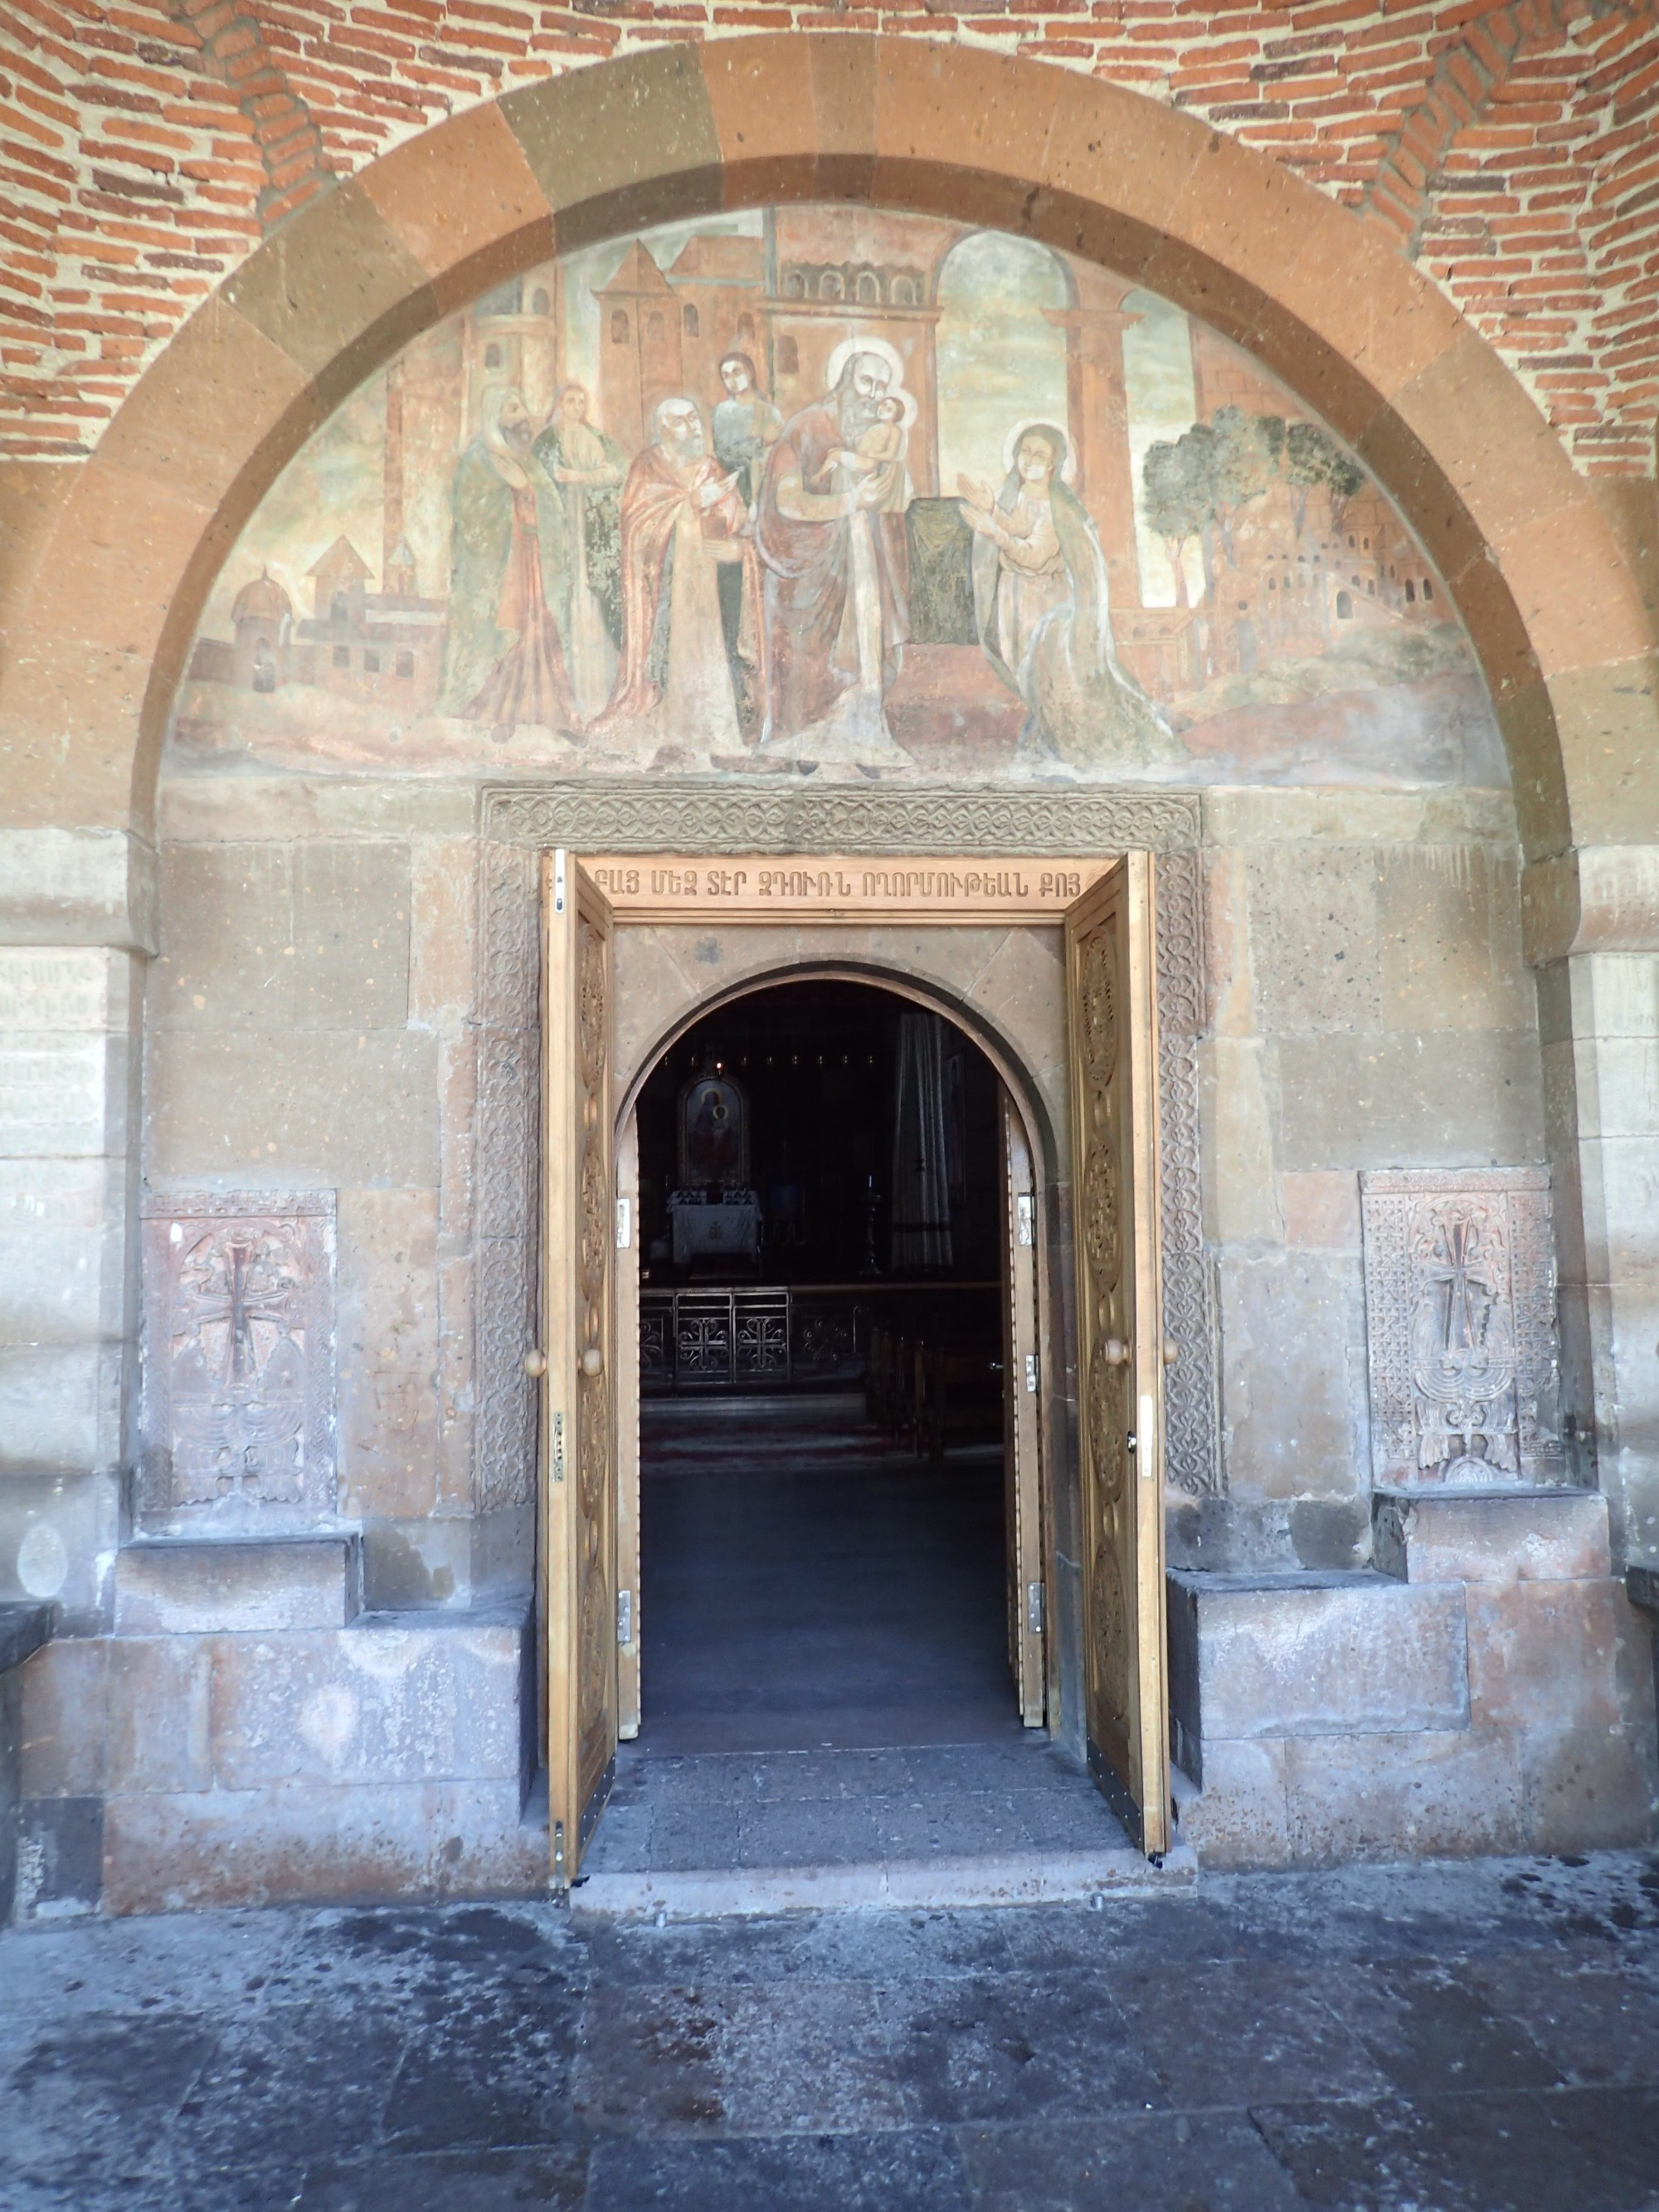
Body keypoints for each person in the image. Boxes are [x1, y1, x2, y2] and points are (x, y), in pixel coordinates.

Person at [960, 421, 1175, 768]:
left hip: (1041, 598)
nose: (1029, 459)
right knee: (1022, 670)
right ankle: (1042, 738)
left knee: (1040, 673)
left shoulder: (1058, 507)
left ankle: (1051, 745)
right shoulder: (1026, 496)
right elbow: (1018, 525)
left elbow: (1034, 552)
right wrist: (993, 510)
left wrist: (991, 530)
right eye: (1025, 451)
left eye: (1039, 454)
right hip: (1014, 594)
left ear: (1052, 465)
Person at [752, 348, 912, 761]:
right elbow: (787, 502)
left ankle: (860, 741)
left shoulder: (877, 439)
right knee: (806, 673)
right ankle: (799, 748)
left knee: (862, 658)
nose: (874, 395)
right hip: (807, 572)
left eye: (882, 387)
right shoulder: (807, 427)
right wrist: (849, 502)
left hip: (860, 569)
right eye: (866, 383)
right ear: (844, 382)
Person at [591, 395, 763, 758]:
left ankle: (715, 727)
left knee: (713, 651)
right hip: (665, 587)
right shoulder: (649, 466)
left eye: (694, 417)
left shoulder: (709, 466)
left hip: (711, 590)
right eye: (683, 420)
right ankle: (673, 720)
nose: (695, 425)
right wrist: (691, 503)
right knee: (672, 654)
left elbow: (739, 518)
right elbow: (637, 522)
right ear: (666, 428)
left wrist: (733, 539)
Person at [441, 385, 577, 740]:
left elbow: (549, 503)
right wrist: (512, 493)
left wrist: (527, 491)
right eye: (513, 409)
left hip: (532, 563)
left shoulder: (525, 458)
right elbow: (469, 515)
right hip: (502, 570)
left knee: (537, 633)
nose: (522, 417)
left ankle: (542, 711)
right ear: (495, 417)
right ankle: (497, 712)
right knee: (506, 632)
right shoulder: (478, 460)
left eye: (522, 408)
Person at [533, 382, 625, 723]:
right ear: (559, 403)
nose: (575, 406)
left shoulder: (594, 438)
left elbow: (615, 472)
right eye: (569, 400)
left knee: (591, 596)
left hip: (590, 526)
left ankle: (598, 691)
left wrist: (578, 477)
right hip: (559, 525)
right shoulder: (546, 441)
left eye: (581, 401)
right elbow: (537, 478)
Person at [812, 392, 909, 513]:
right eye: (883, 405)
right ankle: (826, 475)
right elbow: (861, 446)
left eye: (889, 409)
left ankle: (819, 476)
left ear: (896, 415)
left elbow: (891, 454)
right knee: (834, 452)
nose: (883, 409)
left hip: (867, 462)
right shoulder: (875, 426)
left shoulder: (893, 430)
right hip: (862, 458)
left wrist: (872, 455)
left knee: (835, 455)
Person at [711, 352, 782, 509]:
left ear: (749, 373)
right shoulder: (722, 413)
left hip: (768, 485)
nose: (732, 380)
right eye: (726, 376)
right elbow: (724, 455)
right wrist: (761, 442)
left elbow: (779, 450)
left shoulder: (769, 411)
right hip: (736, 487)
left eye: (736, 372)